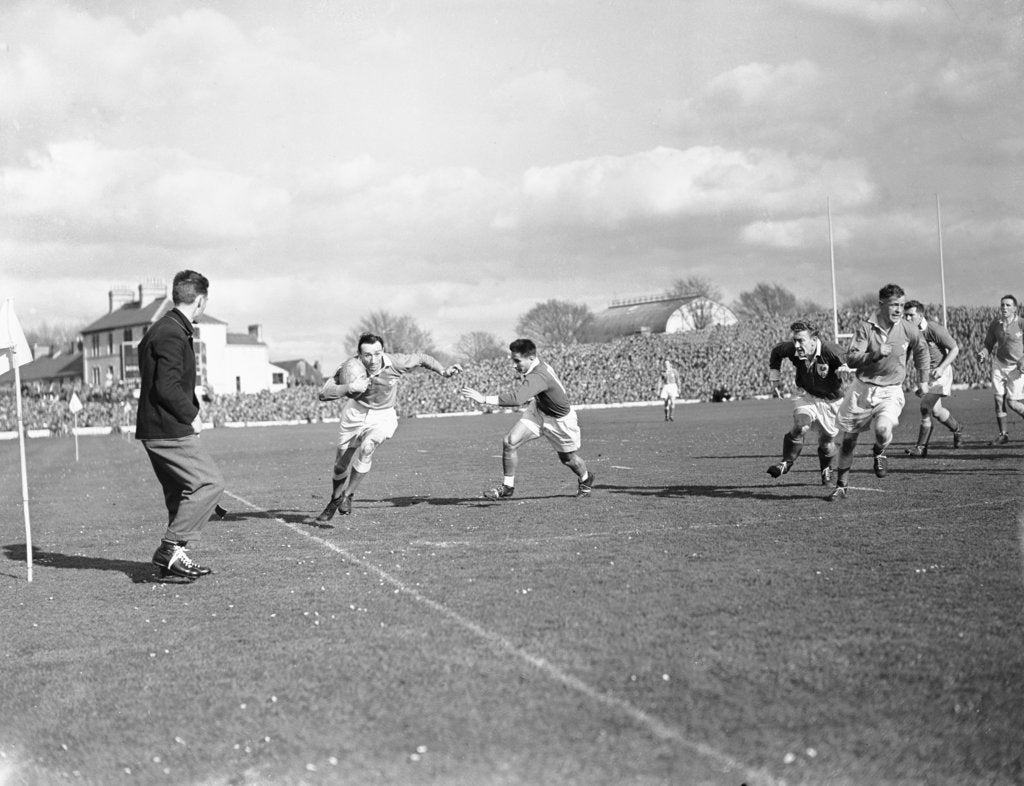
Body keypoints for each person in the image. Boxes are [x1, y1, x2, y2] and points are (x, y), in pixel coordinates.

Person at [136, 270, 225, 580]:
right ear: (200, 300)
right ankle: (170, 547)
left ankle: (170, 560)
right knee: (208, 483)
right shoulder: (172, 333)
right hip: (168, 428)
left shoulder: (163, 328)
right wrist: (192, 414)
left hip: (156, 426)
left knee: (180, 493)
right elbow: (167, 387)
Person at [315, 334, 462, 520]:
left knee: (368, 447)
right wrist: (349, 387)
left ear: (383, 351)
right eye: (367, 355)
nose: (373, 359)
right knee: (340, 465)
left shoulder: (396, 362)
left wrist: (444, 371)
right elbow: (324, 393)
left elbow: (422, 358)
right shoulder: (350, 367)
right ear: (359, 355)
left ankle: (348, 495)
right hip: (355, 414)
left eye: (377, 353)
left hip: (382, 415)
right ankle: (334, 499)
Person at [827, 283, 930, 502]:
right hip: (862, 389)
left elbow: (922, 350)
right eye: (894, 305)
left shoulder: (907, 328)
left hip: (890, 390)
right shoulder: (866, 328)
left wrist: (923, 381)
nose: (899, 310)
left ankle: (879, 450)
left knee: (883, 429)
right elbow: (852, 359)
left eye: (902, 305)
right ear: (881, 304)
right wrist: (874, 354)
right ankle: (841, 486)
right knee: (848, 442)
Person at [461, 338, 595, 499]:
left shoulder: (538, 375)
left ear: (531, 358)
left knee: (568, 460)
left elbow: (517, 398)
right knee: (510, 442)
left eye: (517, 361)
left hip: (560, 421)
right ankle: (507, 487)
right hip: (538, 411)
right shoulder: (537, 366)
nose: (514, 365)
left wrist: (484, 399)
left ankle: (586, 478)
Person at [766, 321, 846, 485]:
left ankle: (826, 468)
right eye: (794, 340)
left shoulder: (831, 350)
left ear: (813, 339)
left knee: (827, 444)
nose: (796, 345)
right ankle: (786, 463)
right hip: (806, 395)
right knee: (801, 426)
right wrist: (775, 377)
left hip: (832, 402)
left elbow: (854, 360)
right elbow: (776, 352)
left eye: (800, 340)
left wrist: (846, 366)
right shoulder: (792, 349)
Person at [902, 300, 964, 456]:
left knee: (925, 407)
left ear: (921, 315)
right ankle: (957, 429)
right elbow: (906, 353)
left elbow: (955, 349)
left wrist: (941, 368)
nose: (908, 318)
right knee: (936, 411)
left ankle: (921, 448)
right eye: (906, 315)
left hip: (940, 373)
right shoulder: (909, 332)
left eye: (911, 315)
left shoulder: (934, 329)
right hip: (925, 375)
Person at [977, 294, 1024, 445]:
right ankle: (1003, 435)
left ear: (1015, 308)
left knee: (1013, 403)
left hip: (1017, 368)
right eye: (1002, 304)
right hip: (999, 364)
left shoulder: (1021, 323)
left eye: (1008, 305)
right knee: (998, 400)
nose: (1004, 307)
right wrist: (983, 353)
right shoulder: (995, 324)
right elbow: (989, 344)